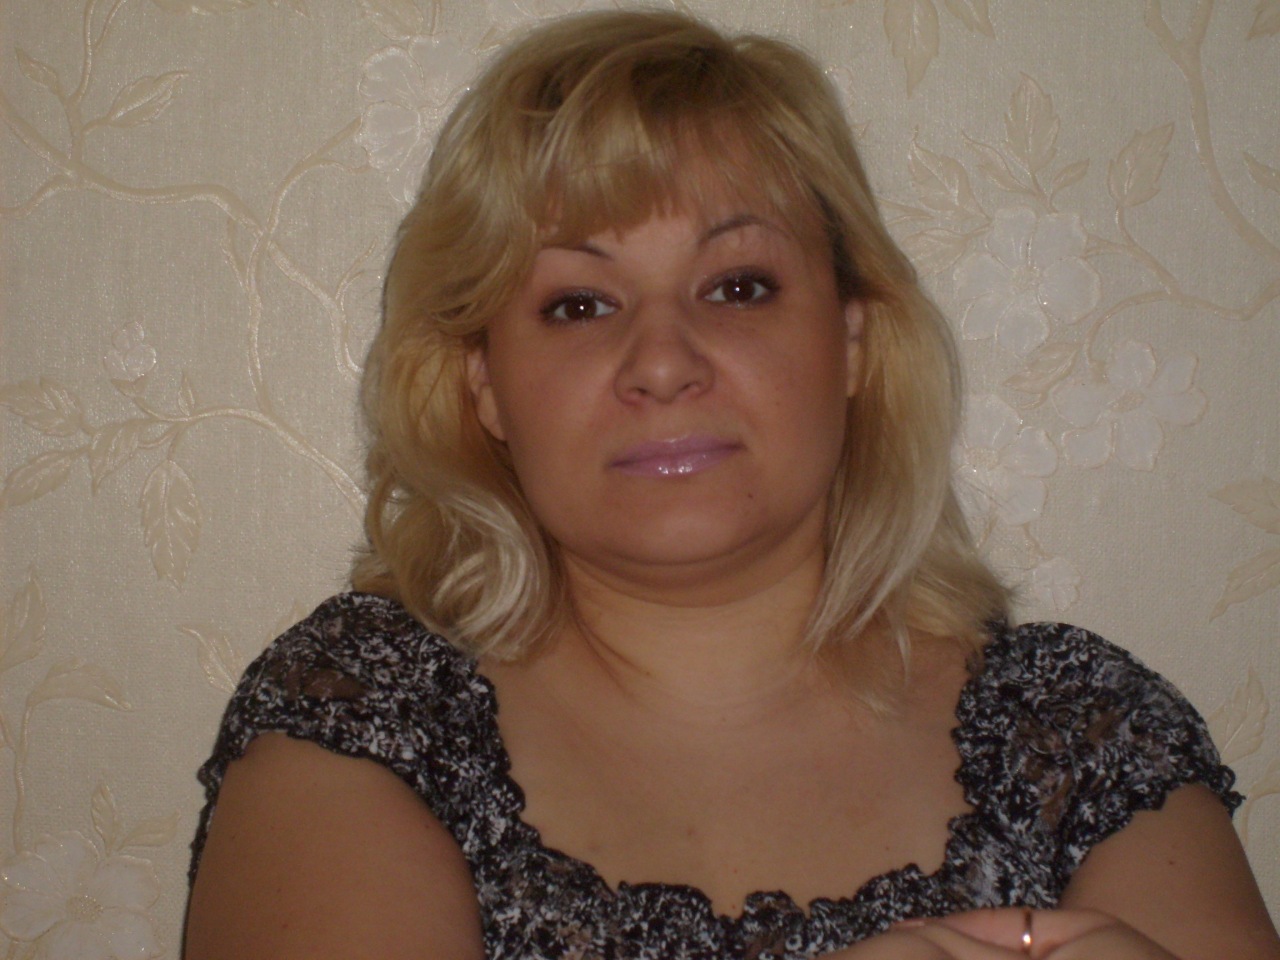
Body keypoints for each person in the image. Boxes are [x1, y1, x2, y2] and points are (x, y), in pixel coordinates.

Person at [183, 9, 1280, 960]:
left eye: (738, 286)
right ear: (485, 386)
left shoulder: (1082, 733)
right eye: (578, 304)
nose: (662, 362)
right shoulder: (367, 718)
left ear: (852, 343)